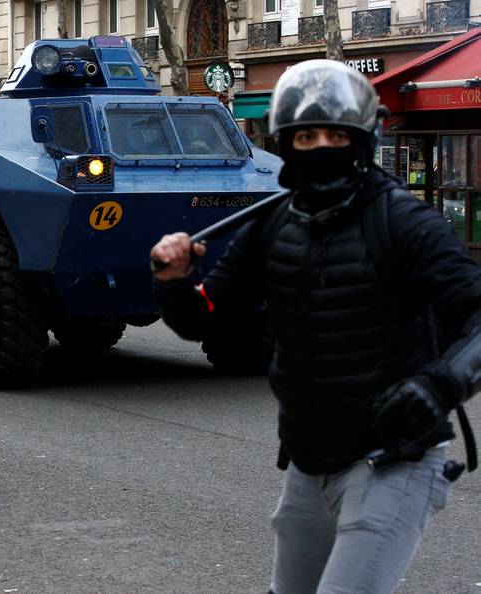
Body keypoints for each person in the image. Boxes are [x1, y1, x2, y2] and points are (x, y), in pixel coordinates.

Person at [149, 59, 481, 594]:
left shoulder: (401, 220)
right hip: (309, 461)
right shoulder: (271, 225)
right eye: (306, 135)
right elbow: (206, 318)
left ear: (363, 140)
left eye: (336, 134)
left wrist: (439, 383)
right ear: (285, 142)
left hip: (395, 458)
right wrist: (175, 282)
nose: (322, 145)